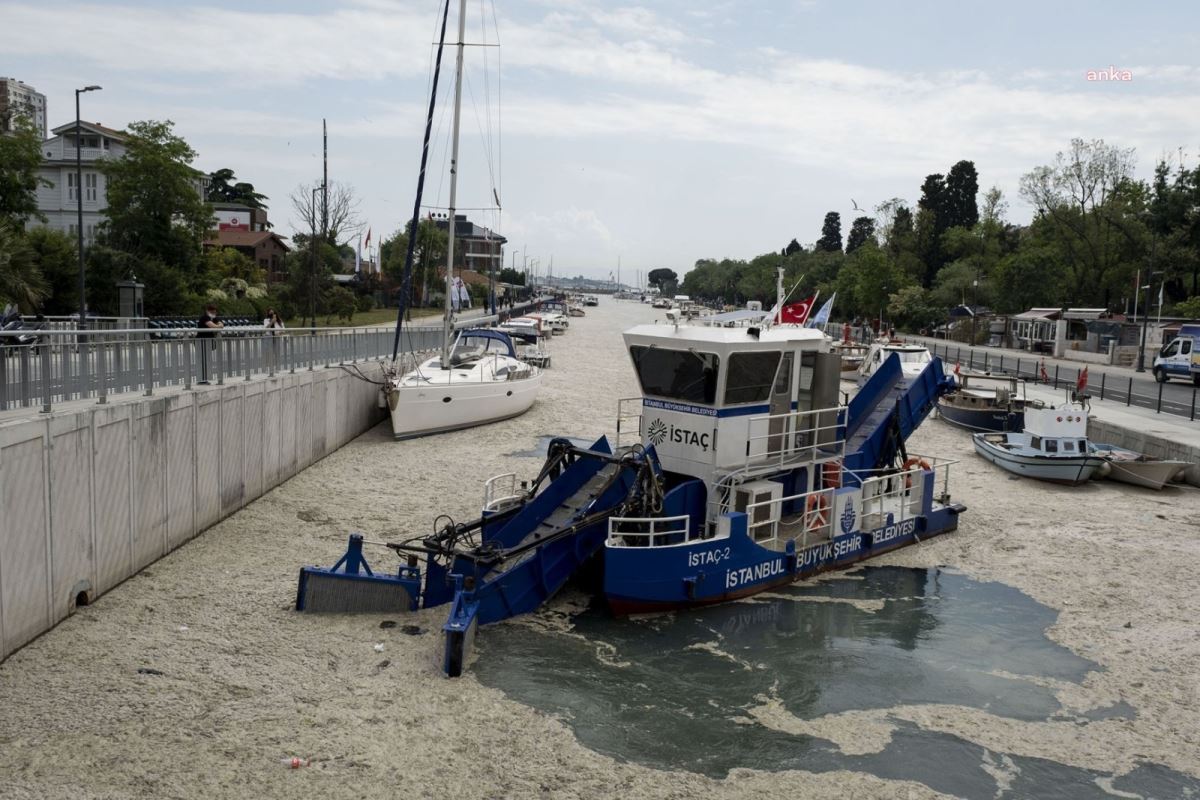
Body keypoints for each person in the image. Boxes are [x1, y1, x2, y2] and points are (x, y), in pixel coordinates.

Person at [196, 304, 223, 384]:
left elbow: (222, 325)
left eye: (215, 312)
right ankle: (202, 380)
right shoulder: (205, 318)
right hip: (201, 341)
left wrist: (217, 326)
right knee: (202, 361)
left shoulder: (214, 318)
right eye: (212, 312)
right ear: (207, 311)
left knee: (206, 360)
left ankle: (204, 379)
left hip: (208, 342)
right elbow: (213, 326)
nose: (214, 313)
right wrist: (217, 326)